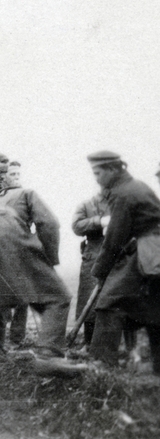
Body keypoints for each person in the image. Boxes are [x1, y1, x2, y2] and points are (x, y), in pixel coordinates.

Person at [0, 174, 71, 379]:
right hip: (7, 237)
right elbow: (49, 224)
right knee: (58, 297)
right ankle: (49, 356)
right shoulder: (26, 193)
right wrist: (48, 260)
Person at [86, 151, 160, 374]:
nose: (96, 178)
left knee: (109, 301)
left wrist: (100, 270)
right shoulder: (136, 186)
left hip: (149, 252)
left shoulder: (124, 193)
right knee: (154, 308)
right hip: (151, 250)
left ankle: (101, 365)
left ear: (112, 169)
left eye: (98, 173)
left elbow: (114, 239)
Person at [71, 191, 109, 345]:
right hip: (94, 254)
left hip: (121, 254)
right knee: (89, 300)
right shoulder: (86, 204)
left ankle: (127, 348)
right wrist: (99, 222)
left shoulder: (122, 202)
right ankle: (89, 344)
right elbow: (76, 226)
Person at [0, 160, 28, 348]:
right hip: (0, 252)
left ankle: (17, 339)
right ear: (4, 177)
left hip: (21, 251)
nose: (17, 178)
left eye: (18, 174)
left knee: (23, 297)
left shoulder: (26, 196)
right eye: (12, 174)